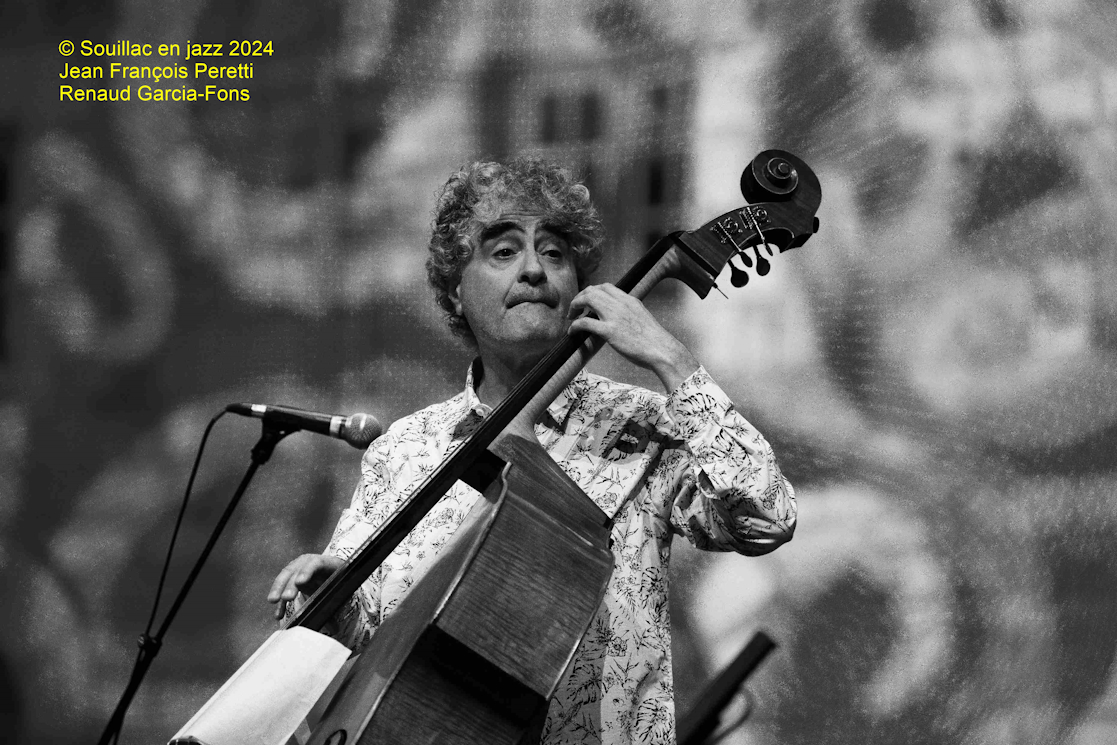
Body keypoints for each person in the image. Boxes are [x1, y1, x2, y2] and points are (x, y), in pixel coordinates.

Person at [267, 157, 797, 744]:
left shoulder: (645, 426)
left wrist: (670, 359)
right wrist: (332, 595)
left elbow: (765, 518)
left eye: (554, 253)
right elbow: (362, 639)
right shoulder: (405, 448)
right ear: (455, 291)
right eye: (503, 252)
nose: (534, 270)